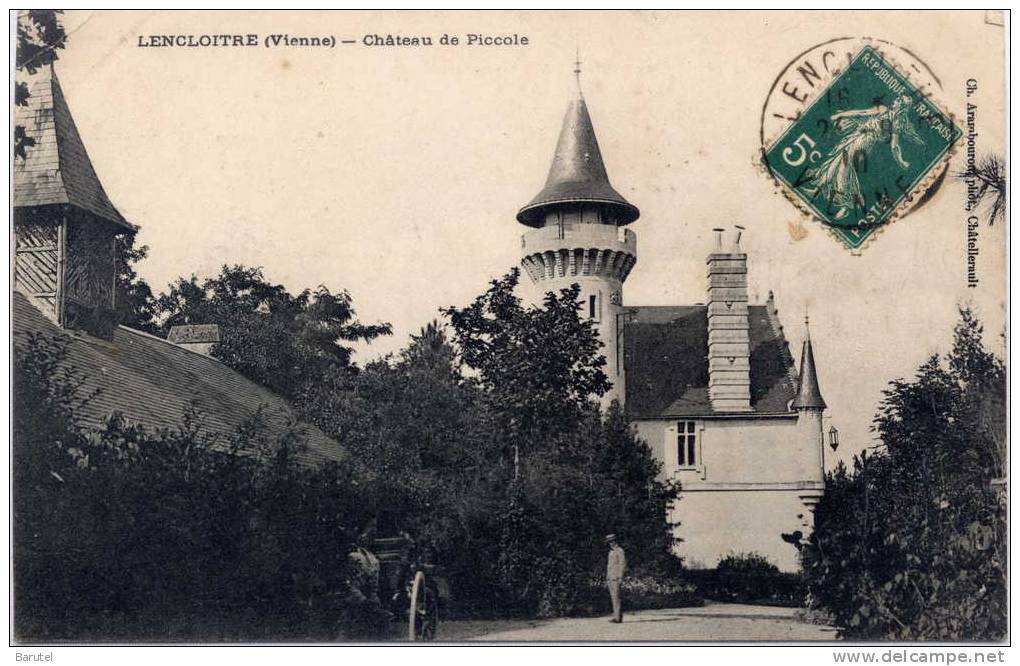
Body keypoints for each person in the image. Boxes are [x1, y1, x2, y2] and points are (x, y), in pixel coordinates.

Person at [605, 534, 627, 623]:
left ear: (615, 541)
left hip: (616, 577)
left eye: (611, 541)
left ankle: (618, 618)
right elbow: (609, 566)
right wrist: (607, 576)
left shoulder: (620, 551)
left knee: (617, 597)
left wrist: (620, 576)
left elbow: (622, 564)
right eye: (609, 542)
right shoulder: (610, 552)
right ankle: (616, 616)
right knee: (613, 597)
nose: (610, 544)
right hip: (610, 577)